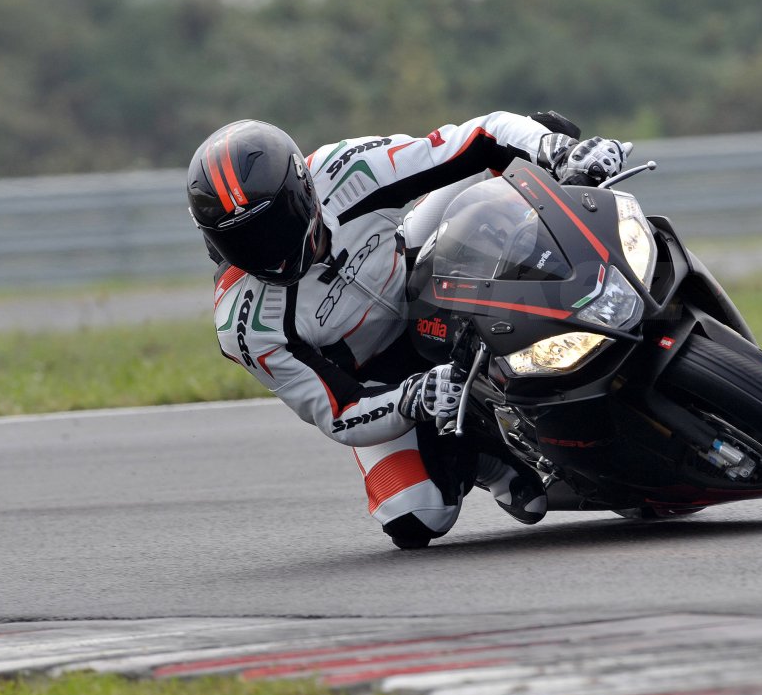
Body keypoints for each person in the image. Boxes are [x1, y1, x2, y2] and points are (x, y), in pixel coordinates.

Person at [185, 111, 629, 549]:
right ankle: (482, 457)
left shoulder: (347, 171)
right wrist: (411, 398)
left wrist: (558, 152)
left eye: (272, 226)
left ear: (303, 191)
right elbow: (339, 411)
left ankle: (611, 266)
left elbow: (479, 136)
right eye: (239, 240)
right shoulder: (246, 324)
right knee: (416, 517)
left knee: (537, 139)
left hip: (421, 271)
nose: (265, 252)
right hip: (382, 380)